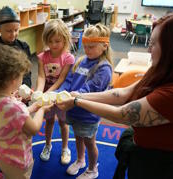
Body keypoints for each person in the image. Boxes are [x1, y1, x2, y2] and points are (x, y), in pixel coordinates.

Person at [56, 12, 173, 179]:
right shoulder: (161, 69)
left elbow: (122, 114)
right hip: (145, 154)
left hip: (163, 166)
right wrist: (79, 96)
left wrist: (77, 101)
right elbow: (122, 93)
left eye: (153, 44)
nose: (148, 49)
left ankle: (92, 168)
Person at [0, 44, 53, 179]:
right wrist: (42, 109)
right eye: (21, 76)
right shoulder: (15, 107)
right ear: (13, 79)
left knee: (8, 174)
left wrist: (33, 107)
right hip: (17, 159)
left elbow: (12, 118)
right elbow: (33, 129)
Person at [56, 23, 113, 178]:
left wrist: (73, 96)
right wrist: (59, 93)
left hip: (89, 114)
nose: (87, 50)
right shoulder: (81, 60)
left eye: (92, 47)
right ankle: (80, 160)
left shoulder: (104, 68)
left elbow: (91, 88)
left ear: (104, 46)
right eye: (85, 46)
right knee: (78, 137)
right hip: (73, 110)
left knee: (89, 142)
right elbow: (69, 81)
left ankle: (93, 169)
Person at [36, 19, 75, 164]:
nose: (53, 45)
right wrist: (39, 92)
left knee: (63, 123)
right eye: (50, 41)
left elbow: (61, 80)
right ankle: (47, 145)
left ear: (65, 39)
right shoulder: (42, 57)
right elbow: (41, 76)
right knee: (49, 121)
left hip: (61, 96)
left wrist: (48, 93)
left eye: (57, 41)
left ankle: (65, 148)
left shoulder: (68, 58)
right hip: (47, 96)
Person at [0, 6, 32, 88]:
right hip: (4, 91)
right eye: (9, 31)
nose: (13, 34)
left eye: (16, 30)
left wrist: (25, 87)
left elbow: (27, 72)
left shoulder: (24, 47)